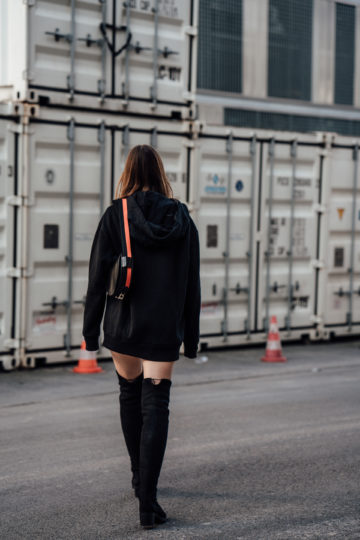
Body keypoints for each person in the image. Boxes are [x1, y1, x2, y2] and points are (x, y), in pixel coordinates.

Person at [82, 144, 201, 530]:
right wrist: (192, 337)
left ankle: (138, 480)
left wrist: (89, 332)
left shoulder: (115, 215)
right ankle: (148, 503)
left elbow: (98, 278)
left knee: (129, 396)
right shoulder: (182, 218)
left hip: (124, 325)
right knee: (157, 406)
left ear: (128, 173)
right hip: (164, 328)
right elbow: (191, 283)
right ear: (161, 173)